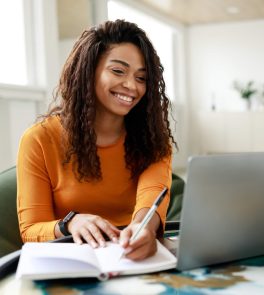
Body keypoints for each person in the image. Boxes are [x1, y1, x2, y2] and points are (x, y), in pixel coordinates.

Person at [16, 19, 176, 261]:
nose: (131, 86)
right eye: (118, 71)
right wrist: (70, 223)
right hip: (71, 260)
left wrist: (144, 228)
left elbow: (151, 193)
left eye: (141, 78)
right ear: (88, 71)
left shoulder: (153, 137)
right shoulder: (39, 139)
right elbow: (30, 230)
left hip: (134, 257)